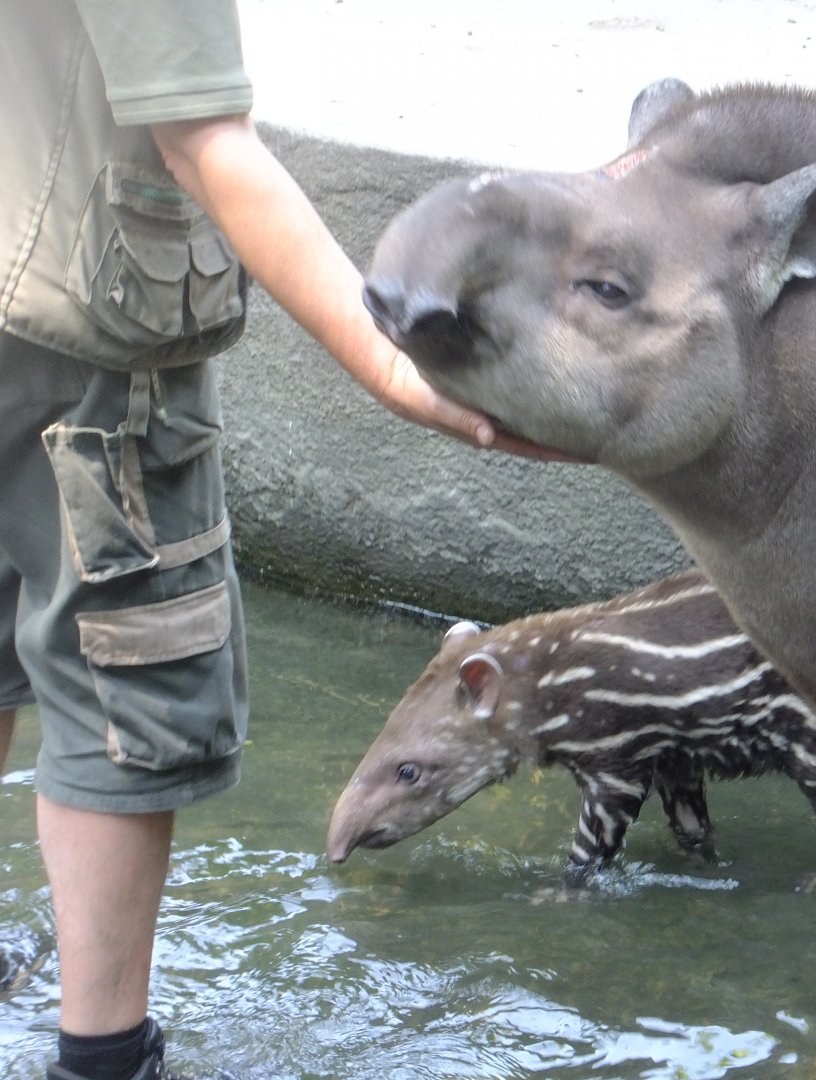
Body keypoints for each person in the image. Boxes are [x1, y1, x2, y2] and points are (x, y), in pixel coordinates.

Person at [0, 2, 557, 1076]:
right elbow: (202, 138)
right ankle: (105, 1058)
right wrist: (393, 364)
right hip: (81, 327)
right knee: (126, 682)